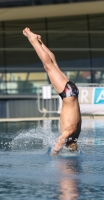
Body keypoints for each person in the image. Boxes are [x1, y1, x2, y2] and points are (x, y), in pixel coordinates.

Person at [23, 27, 81, 155]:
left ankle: (39, 41)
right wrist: (54, 154)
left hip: (73, 91)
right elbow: (59, 143)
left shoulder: (76, 133)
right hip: (67, 93)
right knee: (48, 66)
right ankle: (33, 40)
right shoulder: (69, 133)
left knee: (53, 64)